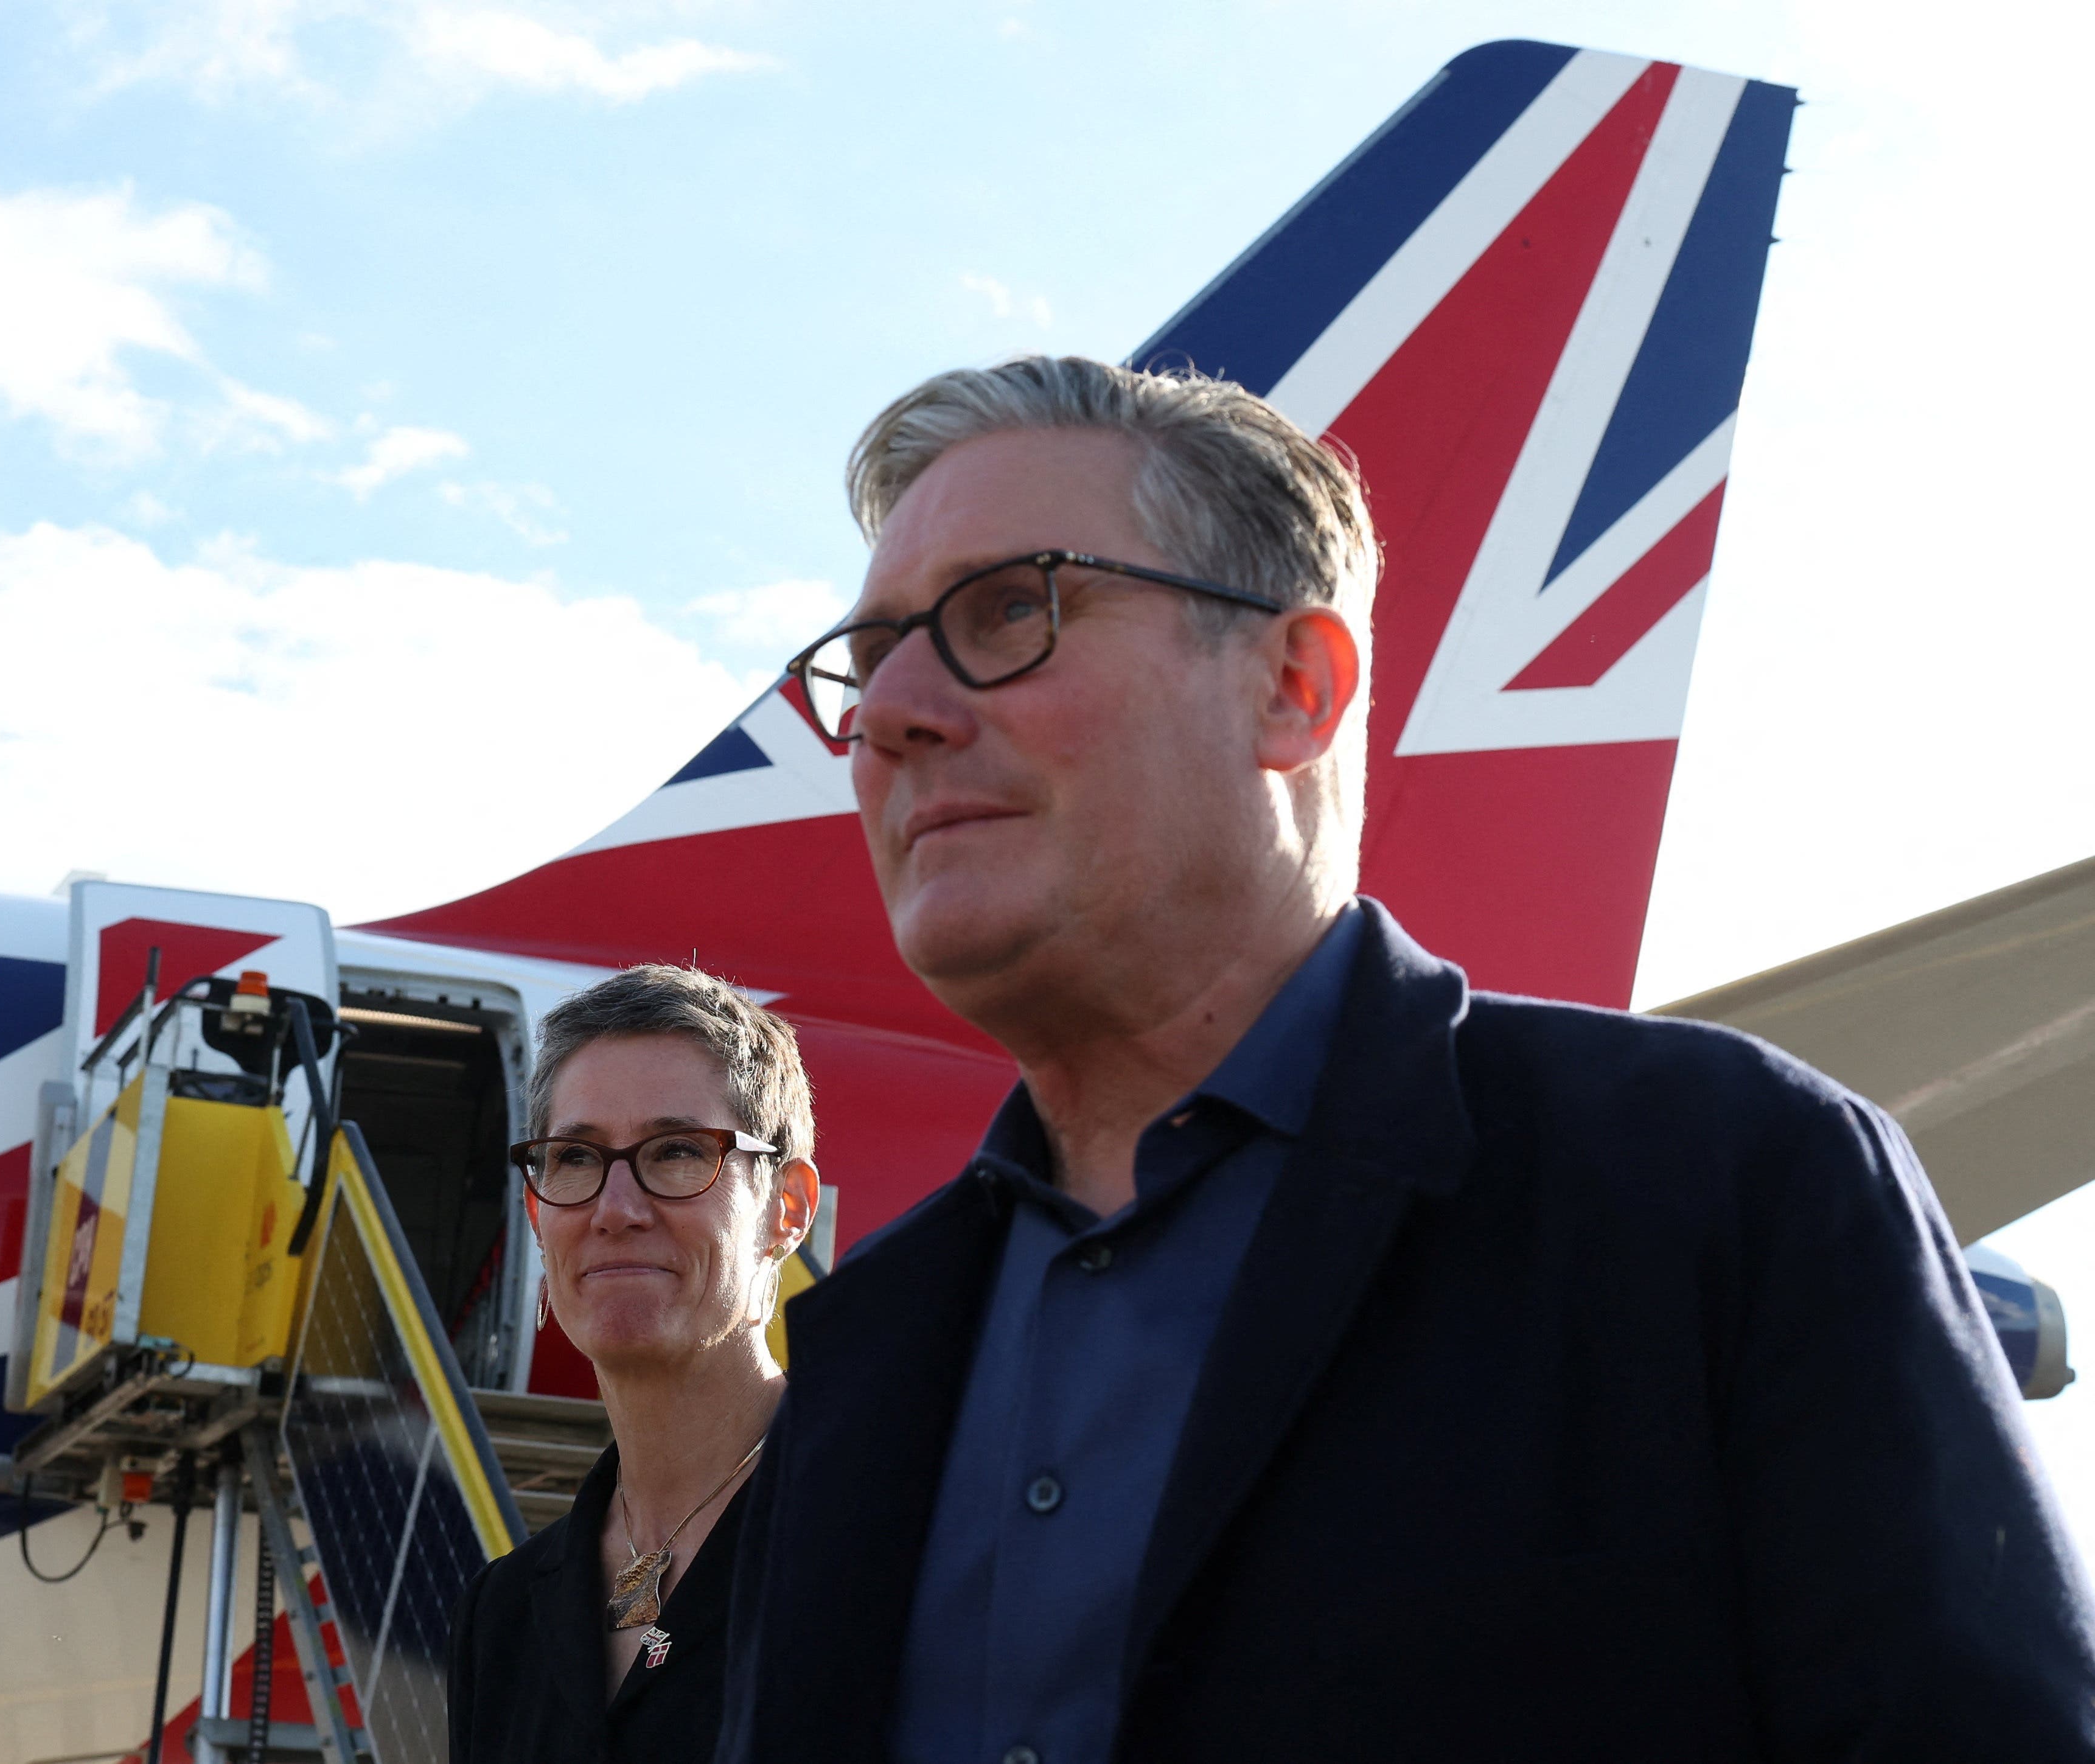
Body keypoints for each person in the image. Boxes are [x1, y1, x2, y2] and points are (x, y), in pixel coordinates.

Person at [719, 357, 2095, 1763]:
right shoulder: (857, 1345)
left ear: (1293, 688)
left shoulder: (1714, 1186)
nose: (889, 711)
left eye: (1007, 610)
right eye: (868, 654)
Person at [450, 964, 818, 1764]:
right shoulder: (503, 1616)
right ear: (536, 1211)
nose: (616, 1211)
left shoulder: (896, 1544)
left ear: (785, 1210)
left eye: (679, 1151)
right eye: (575, 1159)